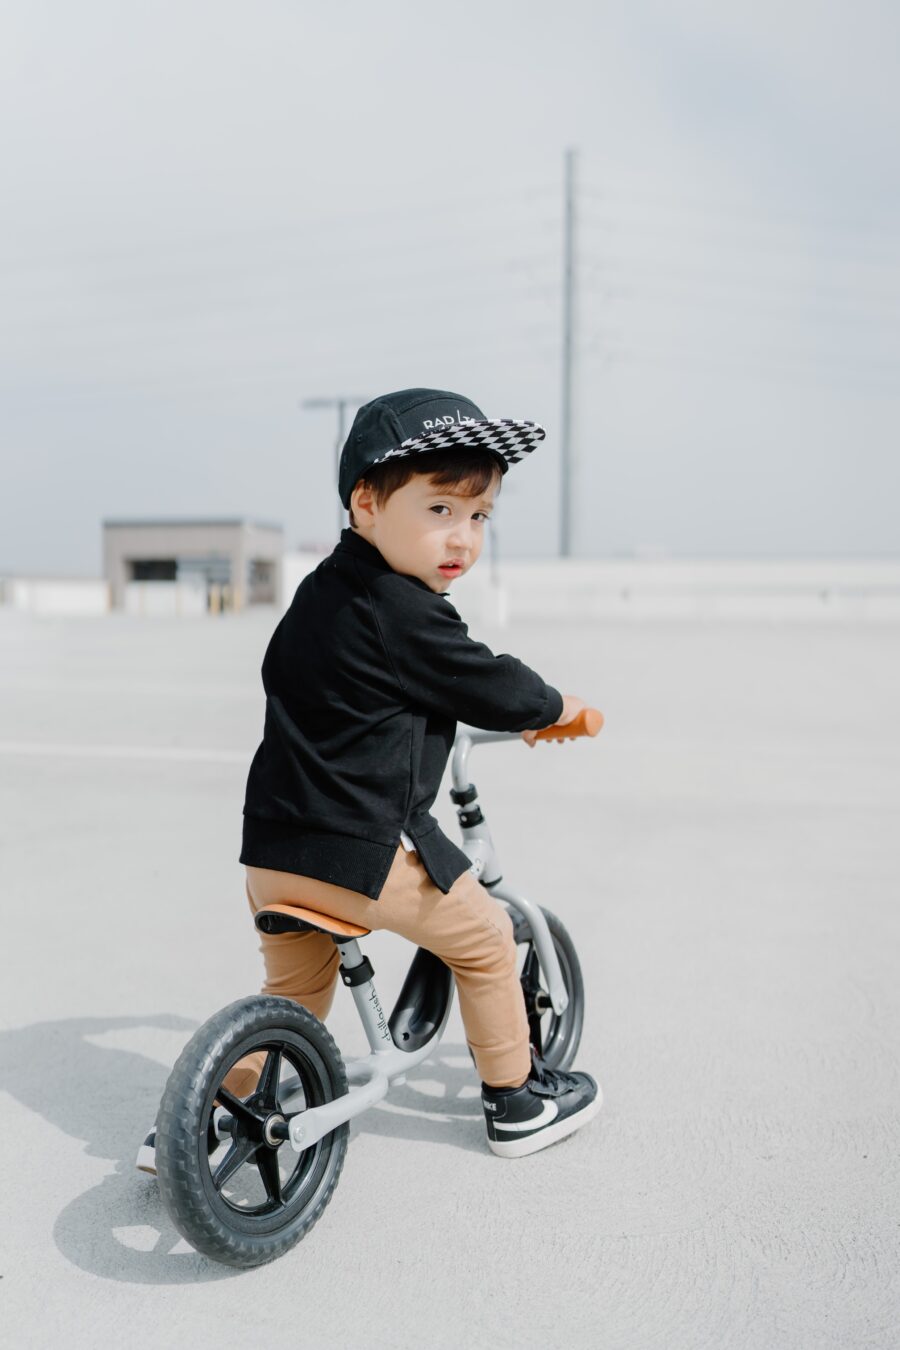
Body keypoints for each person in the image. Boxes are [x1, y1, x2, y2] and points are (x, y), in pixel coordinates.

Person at [137, 387, 600, 1174]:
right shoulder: (405, 609)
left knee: (292, 993)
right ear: (366, 502)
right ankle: (517, 1102)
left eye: (480, 516)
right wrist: (556, 707)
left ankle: (205, 1118)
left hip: (274, 853)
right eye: (441, 509)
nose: (464, 538)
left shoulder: (320, 595)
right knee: (487, 942)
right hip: (365, 858)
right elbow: (481, 677)